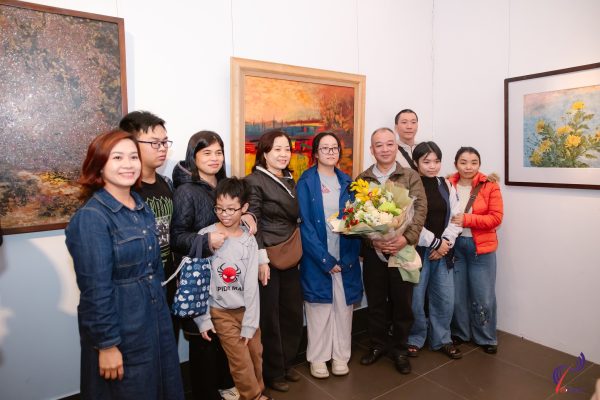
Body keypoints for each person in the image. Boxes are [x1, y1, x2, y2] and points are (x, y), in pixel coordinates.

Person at [65, 130, 184, 399]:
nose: (128, 164)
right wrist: (107, 345)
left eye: (133, 157)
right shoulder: (92, 218)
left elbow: (155, 268)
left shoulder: (141, 206)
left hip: (154, 319)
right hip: (121, 326)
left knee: (162, 386)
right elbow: (95, 290)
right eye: (117, 157)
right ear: (100, 165)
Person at [170, 131, 254, 400]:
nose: (214, 158)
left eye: (218, 152)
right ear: (193, 156)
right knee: (203, 340)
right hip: (201, 275)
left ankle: (225, 384)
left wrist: (248, 216)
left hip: (226, 275)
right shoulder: (185, 191)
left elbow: (235, 211)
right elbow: (176, 237)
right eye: (206, 153)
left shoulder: (223, 184)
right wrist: (204, 241)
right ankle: (205, 393)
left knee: (223, 337)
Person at [357, 127, 427, 375]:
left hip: (402, 251)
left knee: (402, 304)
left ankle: (399, 349)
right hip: (374, 253)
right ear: (372, 149)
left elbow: (420, 210)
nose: (385, 149)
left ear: (396, 147)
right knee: (376, 302)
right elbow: (357, 216)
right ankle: (377, 345)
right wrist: (372, 241)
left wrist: (405, 239)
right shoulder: (363, 179)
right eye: (379, 145)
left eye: (389, 144)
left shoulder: (410, 176)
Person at [196, 177, 272, 400]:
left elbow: (251, 287)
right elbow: (198, 281)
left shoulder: (248, 240)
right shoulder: (206, 236)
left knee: (256, 355)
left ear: (244, 208)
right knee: (240, 360)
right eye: (220, 208)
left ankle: (258, 392)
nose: (225, 214)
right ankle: (253, 397)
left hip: (246, 310)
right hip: (220, 312)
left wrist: (250, 323)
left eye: (231, 209)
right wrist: (203, 319)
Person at [296, 132, 363, 379]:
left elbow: (357, 221)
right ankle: (318, 359)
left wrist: (347, 258)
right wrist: (324, 259)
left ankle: (340, 357)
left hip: (345, 257)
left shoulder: (347, 182)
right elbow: (305, 226)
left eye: (334, 148)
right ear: (315, 153)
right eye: (324, 148)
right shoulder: (306, 182)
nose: (330, 152)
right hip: (318, 259)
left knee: (344, 311)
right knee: (319, 310)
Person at [245, 130, 304, 392]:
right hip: (268, 256)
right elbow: (253, 222)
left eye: (287, 149)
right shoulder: (254, 181)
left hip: (289, 252)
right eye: (277, 149)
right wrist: (261, 258)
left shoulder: (289, 178)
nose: (283, 154)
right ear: (265, 152)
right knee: (270, 317)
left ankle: (287, 362)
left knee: (292, 312)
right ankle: (273, 371)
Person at [119, 111, 179, 339]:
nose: (162, 148)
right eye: (155, 143)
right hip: (139, 290)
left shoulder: (167, 184)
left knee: (168, 346)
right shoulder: (124, 191)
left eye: (165, 142)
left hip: (168, 282)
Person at [406, 142, 463, 359]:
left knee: (445, 298)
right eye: (426, 161)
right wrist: (435, 243)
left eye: (436, 161)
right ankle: (415, 337)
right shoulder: (410, 186)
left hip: (443, 252)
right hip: (418, 252)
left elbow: (456, 217)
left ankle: (442, 339)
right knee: (415, 299)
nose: (432, 166)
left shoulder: (446, 184)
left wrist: (445, 242)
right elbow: (410, 221)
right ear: (416, 163)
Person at [449, 146, 503, 354]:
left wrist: (467, 219)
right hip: (455, 246)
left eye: (474, 162)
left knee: (483, 296)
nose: (468, 167)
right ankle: (461, 333)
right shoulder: (448, 184)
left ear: (479, 164)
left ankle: (486, 337)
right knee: (457, 295)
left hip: (481, 248)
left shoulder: (489, 186)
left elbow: (496, 218)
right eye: (463, 162)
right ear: (456, 164)